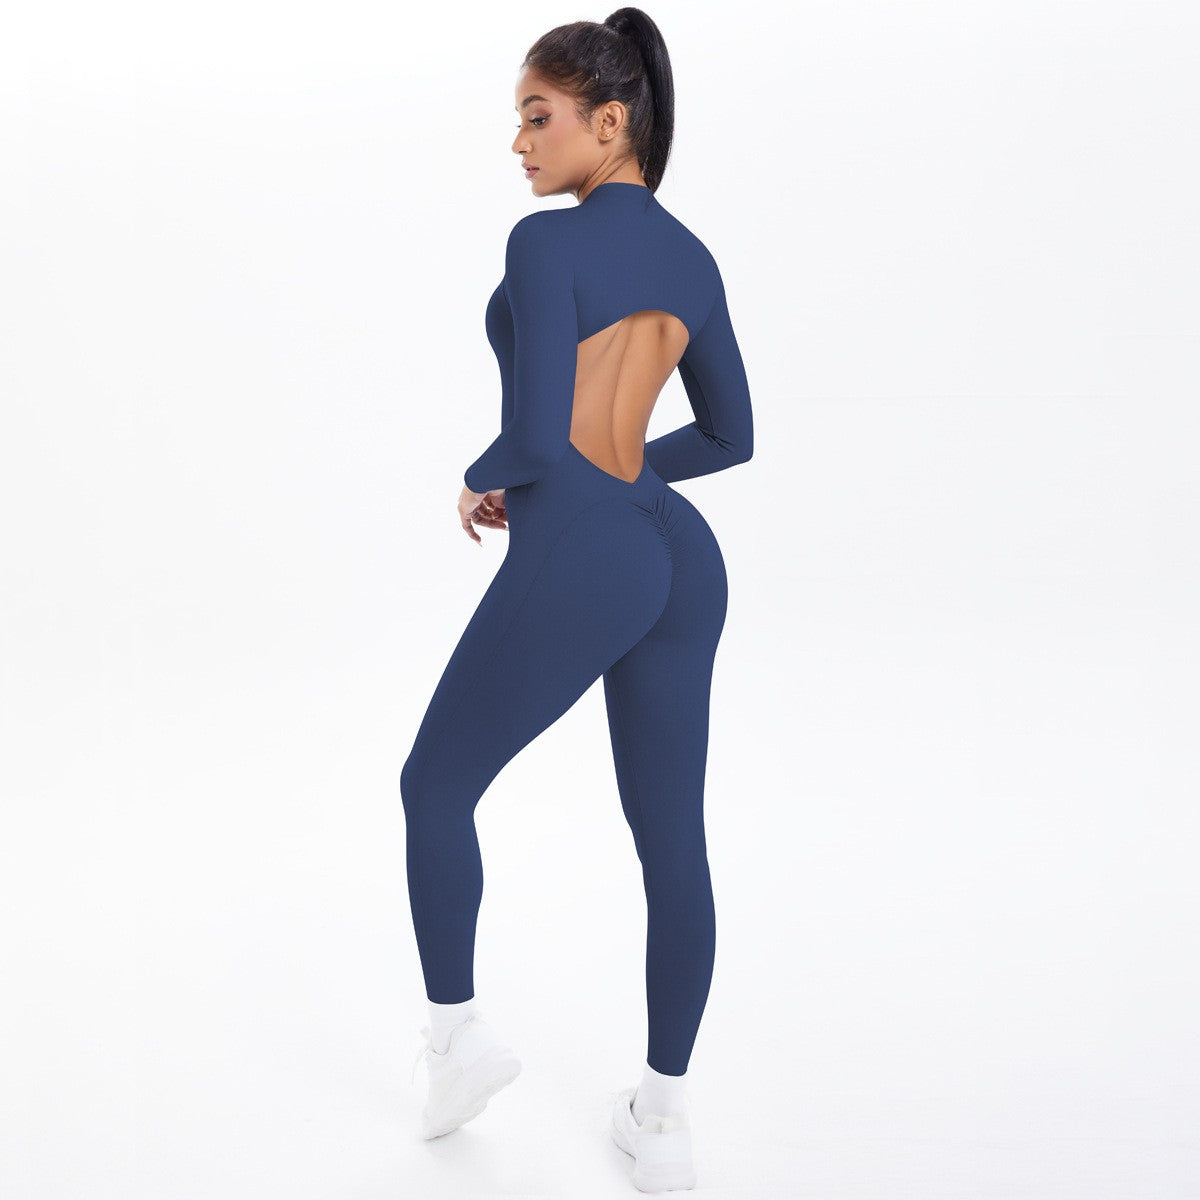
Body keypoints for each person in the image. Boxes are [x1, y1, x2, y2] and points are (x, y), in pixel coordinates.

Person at [401, 8, 753, 1189]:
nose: (519, 142)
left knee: (433, 785)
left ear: (610, 123)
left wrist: (482, 476)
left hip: (590, 546)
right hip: (679, 554)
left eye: (536, 116)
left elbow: (535, 434)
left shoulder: (545, 246)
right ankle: (663, 1118)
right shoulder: (694, 260)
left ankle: (457, 1041)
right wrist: (631, 473)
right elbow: (732, 435)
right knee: (673, 842)